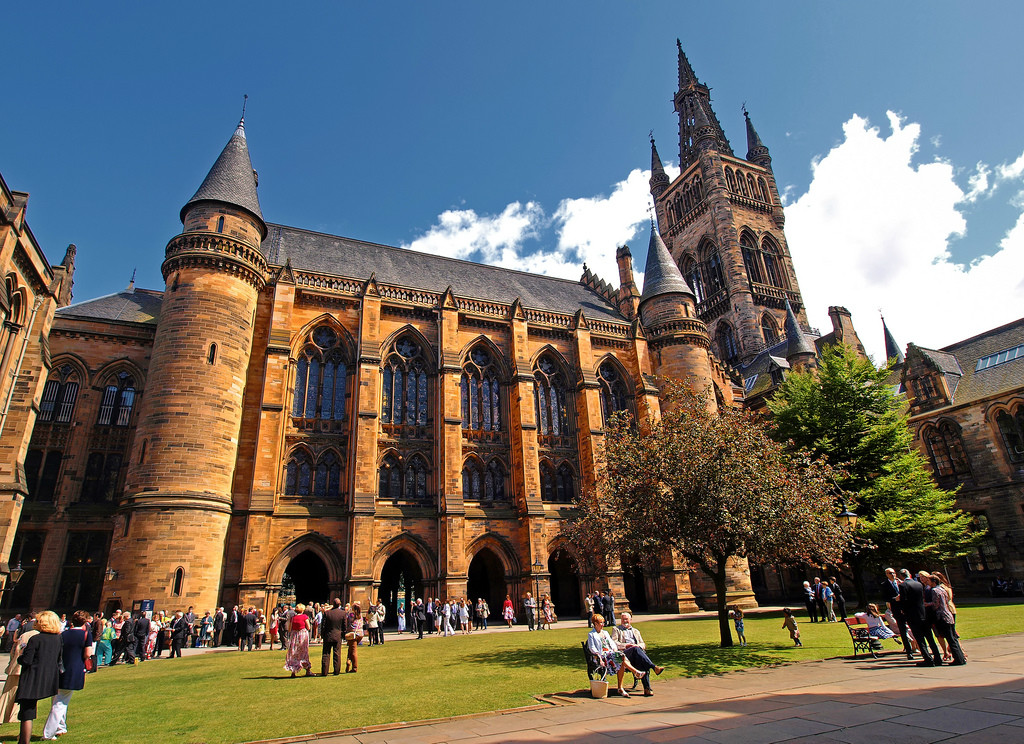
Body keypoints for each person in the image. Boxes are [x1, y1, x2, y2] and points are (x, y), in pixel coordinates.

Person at [42, 610, 94, 740]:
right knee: (60, 703)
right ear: (85, 621)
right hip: (74, 670)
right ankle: (48, 734)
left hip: (59, 669)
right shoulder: (86, 635)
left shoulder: (63, 634)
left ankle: (61, 727)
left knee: (58, 699)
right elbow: (88, 654)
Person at [14, 610, 62, 744]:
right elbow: (58, 658)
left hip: (32, 678)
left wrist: (21, 655)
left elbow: (27, 660)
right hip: (47, 678)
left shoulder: (36, 639)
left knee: (26, 712)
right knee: (28, 709)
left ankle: (24, 741)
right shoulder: (58, 638)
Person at [586, 613, 643, 698]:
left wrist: (615, 650)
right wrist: (599, 658)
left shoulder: (605, 632)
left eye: (603, 622)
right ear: (596, 623)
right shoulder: (591, 634)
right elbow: (592, 648)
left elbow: (612, 644)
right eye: (601, 622)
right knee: (621, 658)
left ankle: (622, 687)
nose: (603, 624)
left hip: (611, 655)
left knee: (620, 658)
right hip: (602, 657)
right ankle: (635, 673)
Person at [611, 612, 664, 697]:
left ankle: (647, 688)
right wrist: (626, 645)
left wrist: (637, 645)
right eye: (623, 619)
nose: (625, 621)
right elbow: (613, 643)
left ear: (630, 620)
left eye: (626, 619)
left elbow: (643, 644)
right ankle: (654, 667)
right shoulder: (616, 629)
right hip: (624, 655)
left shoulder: (636, 631)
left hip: (636, 655)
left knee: (642, 661)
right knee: (636, 651)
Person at [899, 569, 942, 666]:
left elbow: (904, 601)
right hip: (923, 614)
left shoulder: (902, 586)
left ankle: (928, 659)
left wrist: (903, 610)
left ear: (901, 576)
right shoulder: (918, 584)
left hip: (913, 616)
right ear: (909, 574)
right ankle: (937, 658)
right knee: (930, 638)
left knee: (920, 639)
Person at [922, 572, 966, 665]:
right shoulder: (942, 589)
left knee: (950, 638)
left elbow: (936, 604)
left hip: (942, 616)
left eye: (929, 580)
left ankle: (958, 659)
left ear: (933, 581)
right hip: (948, 615)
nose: (927, 582)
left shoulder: (934, 590)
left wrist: (927, 604)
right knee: (953, 638)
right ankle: (960, 658)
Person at [0, 619, 37, 723]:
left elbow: (14, 651)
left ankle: (3, 715)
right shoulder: (37, 636)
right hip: (24, 668)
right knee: (19, 693)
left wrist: (11, 663)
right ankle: (13, 717)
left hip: (15, 667)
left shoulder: (24, 635)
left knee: (8, 693)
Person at [881, 567, 914, 659]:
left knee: (913, 628)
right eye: (890, 573)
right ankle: (909, 651)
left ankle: (918, 647)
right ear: (886, 574)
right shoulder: (884, 585)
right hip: (897, 610)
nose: (893, 575)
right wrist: (894, 599)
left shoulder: (901, 583)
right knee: (903, 630)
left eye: (894, 573)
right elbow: (884, 598)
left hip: (907, 609)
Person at [284, 603, 313, 677]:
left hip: (294, 635)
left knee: (294, 652)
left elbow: (290, 628)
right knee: (304, 652)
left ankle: (293, 672)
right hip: (302, 635)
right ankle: (308, 670)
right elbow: (308, 627)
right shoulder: (304, 617)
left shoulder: (293, 618)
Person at [320, 598, 345, 676]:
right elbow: (344, 626)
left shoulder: (327, 613)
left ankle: (324, 672)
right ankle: (336, 671)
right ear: (340, 604)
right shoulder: (343, 613)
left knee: (326, 654)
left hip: (328, 635)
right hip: (337, 636)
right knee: (337, 653)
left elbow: (323, 626)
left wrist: (322, 635)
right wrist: (343, 635)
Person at [344, 603, 363, 673]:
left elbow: (346, 621)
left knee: (353, 651)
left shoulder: (351, 615)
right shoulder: (360, 616)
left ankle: (354, 667)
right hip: (360, 634)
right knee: (351, 649)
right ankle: (348, 661)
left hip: (353, 634)